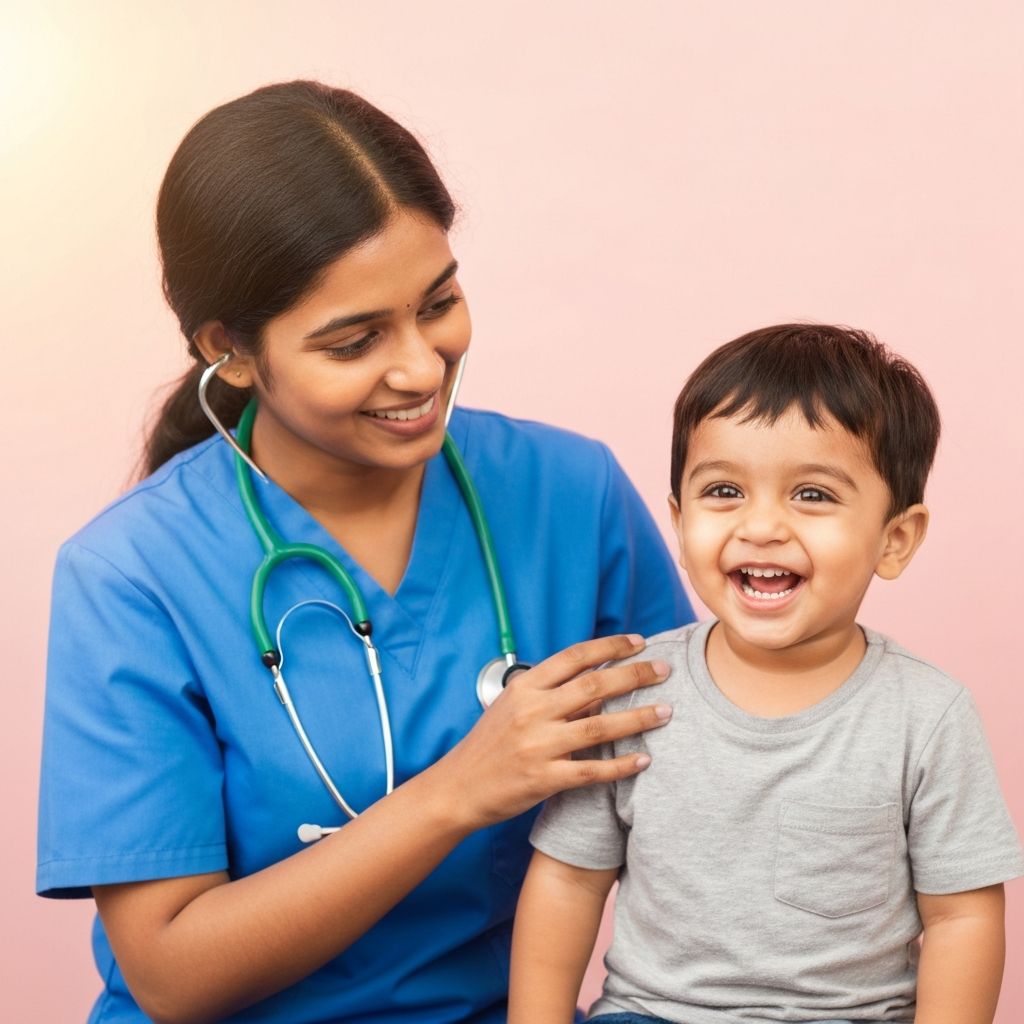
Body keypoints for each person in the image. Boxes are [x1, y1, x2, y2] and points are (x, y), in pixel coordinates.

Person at [36, 80, 694, 1024]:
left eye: (440, 303)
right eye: (354, 342)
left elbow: (698, 794)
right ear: (230, 350)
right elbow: (171, 976)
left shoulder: (570, 493)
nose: (422, 367)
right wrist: (459, 791)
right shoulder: (131, 574)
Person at [509, 324, 1024, 1024]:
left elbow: (962, 916)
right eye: (724, 491)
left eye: (812, 495)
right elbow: (568, 881)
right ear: (679, 522)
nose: (761, 527)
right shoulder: (632, 692)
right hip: (654, 1013)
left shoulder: (926, 715)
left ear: (894, 539)